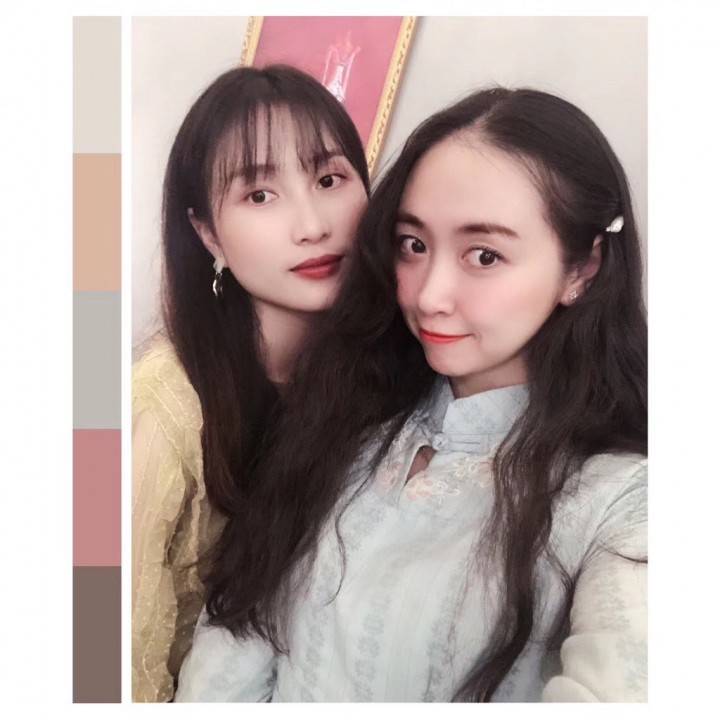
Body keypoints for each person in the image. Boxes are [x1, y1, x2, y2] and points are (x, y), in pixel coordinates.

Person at [176, 87, 647, 703]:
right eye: (413, 245)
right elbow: (233, 646)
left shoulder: (620, 499)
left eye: (484, 255)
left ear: (581, 267)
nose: (429, 296)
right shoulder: (342, 417)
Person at [132, 64, 370, 702]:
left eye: (329, 179)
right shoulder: (164, 408)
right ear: (207, 232)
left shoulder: (370, 378)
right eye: (260, 195)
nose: (312, 224)